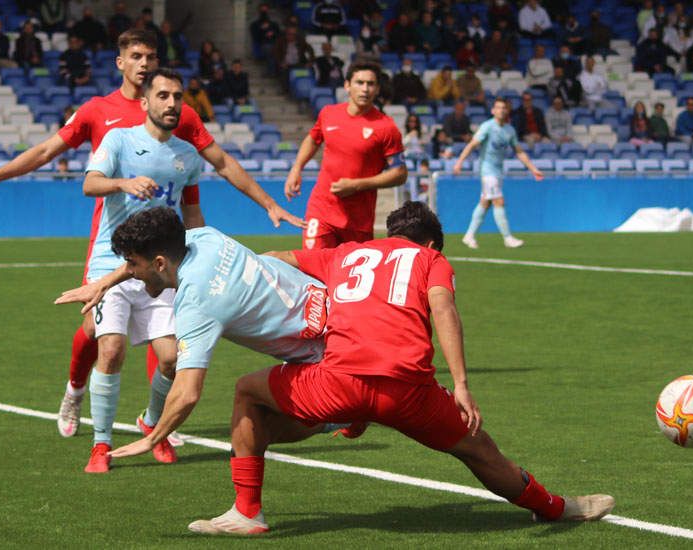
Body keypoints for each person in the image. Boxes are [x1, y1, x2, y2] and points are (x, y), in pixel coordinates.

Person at [184, 201, 615, 535]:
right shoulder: (430, 260)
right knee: (479, 451)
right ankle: (556, 508)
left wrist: (221, 280)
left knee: (248, 391)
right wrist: (461, 384)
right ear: (430, 245)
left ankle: (247, 511)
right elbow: (443, 308)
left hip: (336, 383)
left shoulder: (348, 253)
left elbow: (279, 257)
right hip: (407, 392)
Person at [0, 29, 302, 441]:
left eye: (151, 56)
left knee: (165, 337)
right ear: (120, 62)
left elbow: (221, 161)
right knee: (96, 333)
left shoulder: (178, 110)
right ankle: (74, 388)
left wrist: (267, 203)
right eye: (137, 56)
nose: (145, 63)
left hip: (162, 249)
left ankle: (156, 417)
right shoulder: (98, 111)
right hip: (111, 243)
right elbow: (47, 151)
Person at [58, 207, 332, 468]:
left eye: (132, 264)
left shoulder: (197, 301)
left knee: (250, 415)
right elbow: (152, 254)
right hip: (339, 305)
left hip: (328, 355)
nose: (129, 272)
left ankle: (339, 419)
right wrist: (104, 283)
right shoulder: (205, 237)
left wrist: (153, 439)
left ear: (160, 264)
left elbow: (187, 393)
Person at [77, 68, 206, 472]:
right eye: (163, 96)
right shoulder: (119, 140)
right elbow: (90, 184)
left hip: (161, 270)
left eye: (178, 97)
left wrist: (200, 251)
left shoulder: (188, 155)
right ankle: (101, 445)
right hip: (111, 263)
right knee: (111, 350)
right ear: (145, 102)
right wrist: (123, 183)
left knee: (170, 359)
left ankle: (152, 427)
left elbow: (192, 211)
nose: (172, 104)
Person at [285, 62, 407, 250]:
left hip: (358, 220)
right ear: (347, 85)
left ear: (377, 89)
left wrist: (357, 185)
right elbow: (313, 139)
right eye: (359, 82)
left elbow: (400, 173)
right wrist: (296, 168)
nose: (365, 89)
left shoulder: (386, 127)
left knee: (348, 278)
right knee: (312, 268)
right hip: (322, 209)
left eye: (371, 84)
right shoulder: (328, 114)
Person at [453, 98, 544, 250]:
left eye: (504, 108)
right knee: (498, 201)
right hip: (487, 170)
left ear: (507, 111)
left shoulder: (509, 130)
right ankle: (508, 238)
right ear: (493, 111)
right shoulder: (487, 127)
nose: (501, 110)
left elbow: (519, 152)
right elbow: (472, 144)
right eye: (498, 108)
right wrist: (459, 162)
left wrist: (533, 168)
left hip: (498, 171)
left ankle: (469, 235)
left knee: (485, 202)